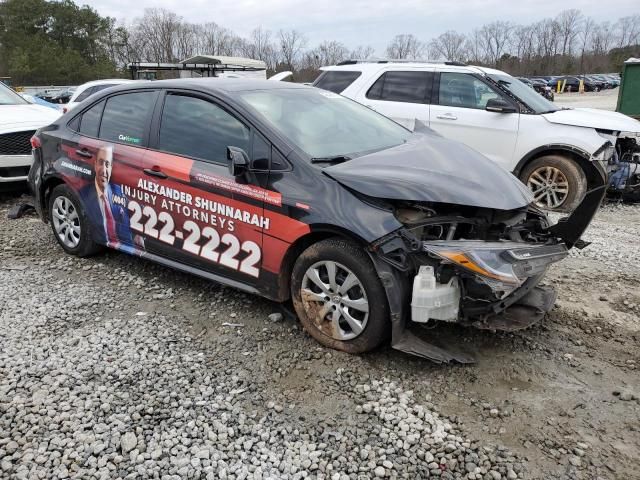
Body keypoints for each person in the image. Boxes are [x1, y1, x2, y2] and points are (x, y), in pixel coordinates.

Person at [79, 145, 138, 252]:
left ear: (111, 168)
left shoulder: (119, 192)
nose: (104, 170)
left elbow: (127, 227)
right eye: (101, 163)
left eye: (107, 164)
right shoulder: (83, 194)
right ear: (95, 164)